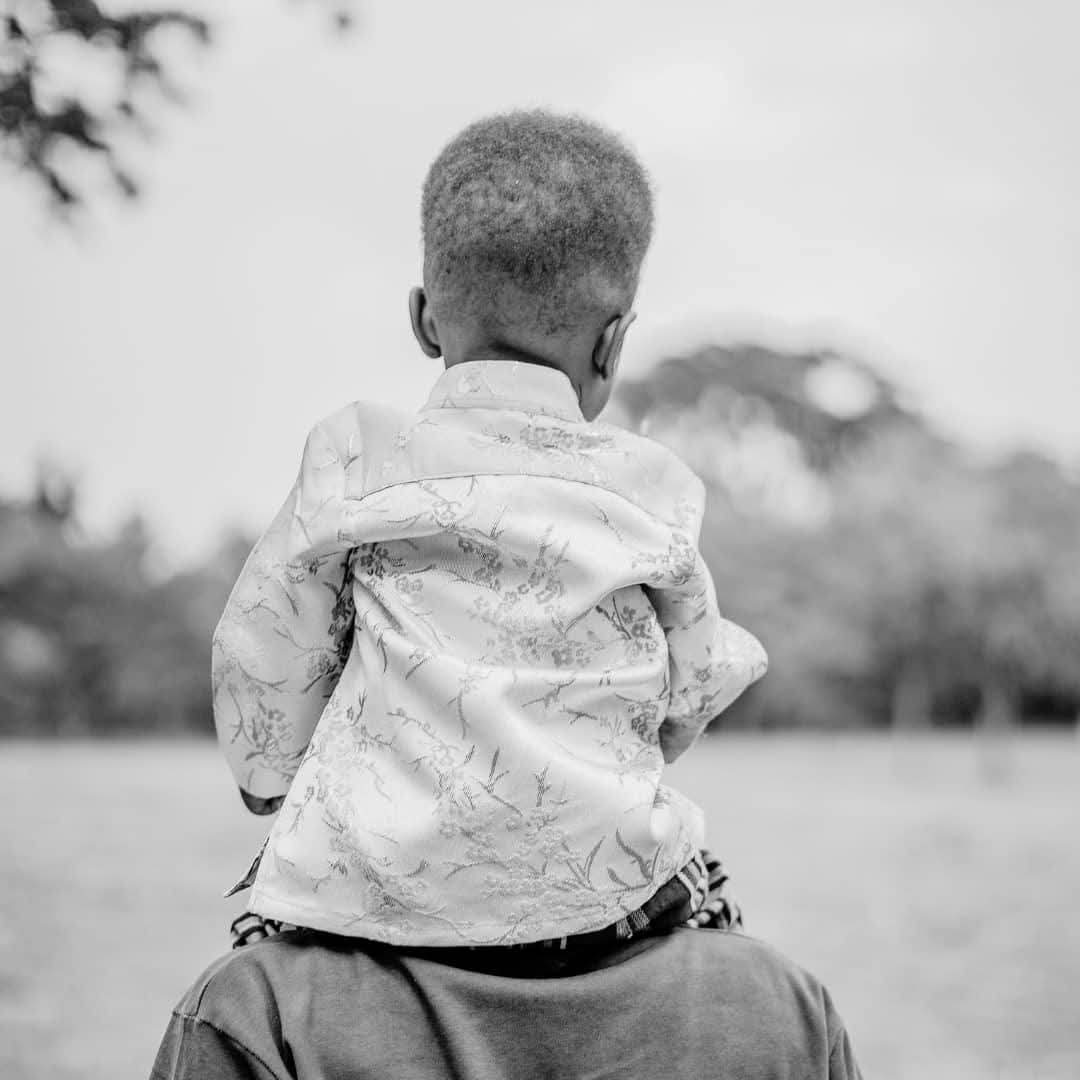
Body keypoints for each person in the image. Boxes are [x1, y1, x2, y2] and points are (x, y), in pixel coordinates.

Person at [210, 109, 768, 949]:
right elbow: (687, 689)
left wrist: (270, 779)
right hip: (606, 897)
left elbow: (261, 654)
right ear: (614, 344)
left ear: (424, 318)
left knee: (257, 957)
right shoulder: (655, 490)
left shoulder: (355, 456)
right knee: (716, 912)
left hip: (373, 888)